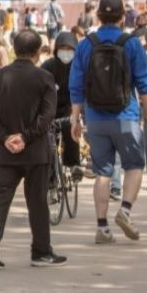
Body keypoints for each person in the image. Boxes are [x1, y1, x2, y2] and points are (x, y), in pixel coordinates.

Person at [69, 0, 147, 245]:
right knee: (134, 166)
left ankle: (102, 227)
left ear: (98, 16)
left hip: (95, 117)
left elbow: (76, 85)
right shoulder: (132, 43)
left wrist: (75, 118)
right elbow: (144, 83)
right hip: (126, 115)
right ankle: (125, 210)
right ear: (122, 16)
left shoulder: (86, 44)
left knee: (103, 172)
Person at [0, 30, 64, 270]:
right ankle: (41, 251)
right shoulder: (44, 78)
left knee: (0, 196)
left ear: (14, 49)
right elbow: (47, 115)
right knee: (37, 201)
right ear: (37, 52)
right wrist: (26, 137)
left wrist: (5, 136)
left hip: (7, 151)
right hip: (36, 150)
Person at [40, 32, 83, 182]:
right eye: (62, 48)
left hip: (70, 107)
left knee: (70, 127)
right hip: (49, 107)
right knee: (48, 139)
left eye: (69, 49)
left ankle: (74, 165)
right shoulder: (47, 66)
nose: (66, 52)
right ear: (56, 49)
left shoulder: (79, 67)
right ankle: (50, 176)